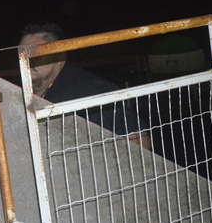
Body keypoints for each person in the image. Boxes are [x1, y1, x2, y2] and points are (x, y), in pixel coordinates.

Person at [20, 22, 151, 150]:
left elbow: (140, 140)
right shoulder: (20, 94)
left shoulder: (92, 90)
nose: (27, 59)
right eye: (22, 53)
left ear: (59, 55)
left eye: (36, 52)